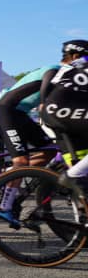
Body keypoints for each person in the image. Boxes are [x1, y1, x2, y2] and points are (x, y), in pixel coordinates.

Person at [0, 51, 64, 221]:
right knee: (21, 161)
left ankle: (11, 173)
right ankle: (4, 207)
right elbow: (45, 101)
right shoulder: (54, 70)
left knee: (50, 150)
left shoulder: (69, 79)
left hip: (21, 114)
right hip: (5, 110)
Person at [40, 40, 88, 189]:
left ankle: (78, 182)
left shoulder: (75, 64)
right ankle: (72, 176)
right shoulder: (82, 64)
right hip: (61, 109)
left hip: (60, 109)